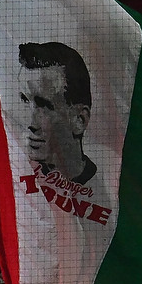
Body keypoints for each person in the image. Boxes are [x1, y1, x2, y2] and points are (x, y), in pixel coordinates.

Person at [16, 41, 94, 185]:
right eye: (25, 101)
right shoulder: (16, 180)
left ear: (79, 120)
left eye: (44, 105)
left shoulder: (109, 186)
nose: (30, 123)